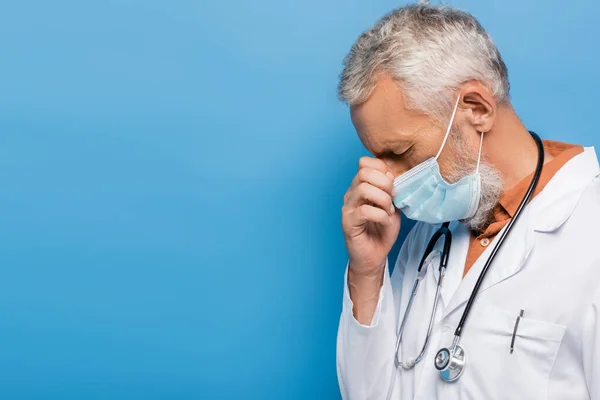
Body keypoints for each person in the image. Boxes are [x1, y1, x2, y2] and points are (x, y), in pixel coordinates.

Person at [336, 3, 600, 400]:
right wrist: (368, 272)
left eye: (401, 150)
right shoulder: (430, 233)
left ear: (477, 109)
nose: (387, 180)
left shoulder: (589, 229)